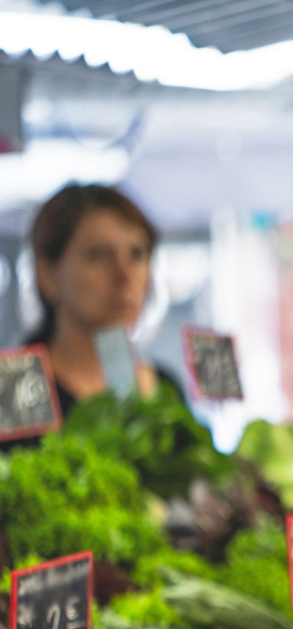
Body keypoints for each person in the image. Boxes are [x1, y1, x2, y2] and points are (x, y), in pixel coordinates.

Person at [5, 184, 172, 445]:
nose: (125, 275)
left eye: (137, 254)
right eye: (98, 256)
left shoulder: (166, 391)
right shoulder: (13, 387)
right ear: (47, 275)